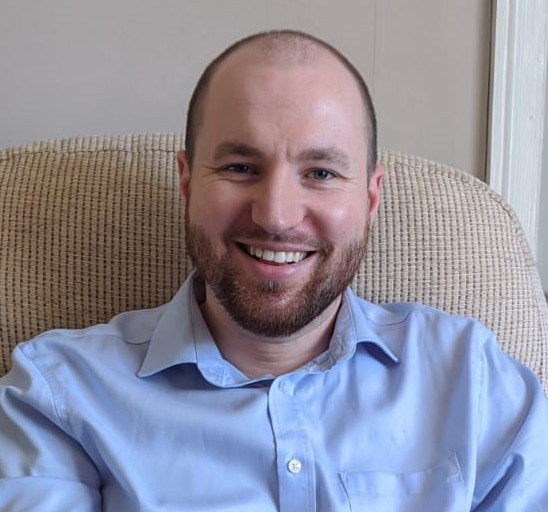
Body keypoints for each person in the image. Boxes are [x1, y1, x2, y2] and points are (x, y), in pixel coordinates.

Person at [0, 29, 546, 511]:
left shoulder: (473, 382)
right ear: (186, 182)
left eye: (321, 172)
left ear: (371, 198)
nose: (276, 216)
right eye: (240, 167)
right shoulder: (58, 396)